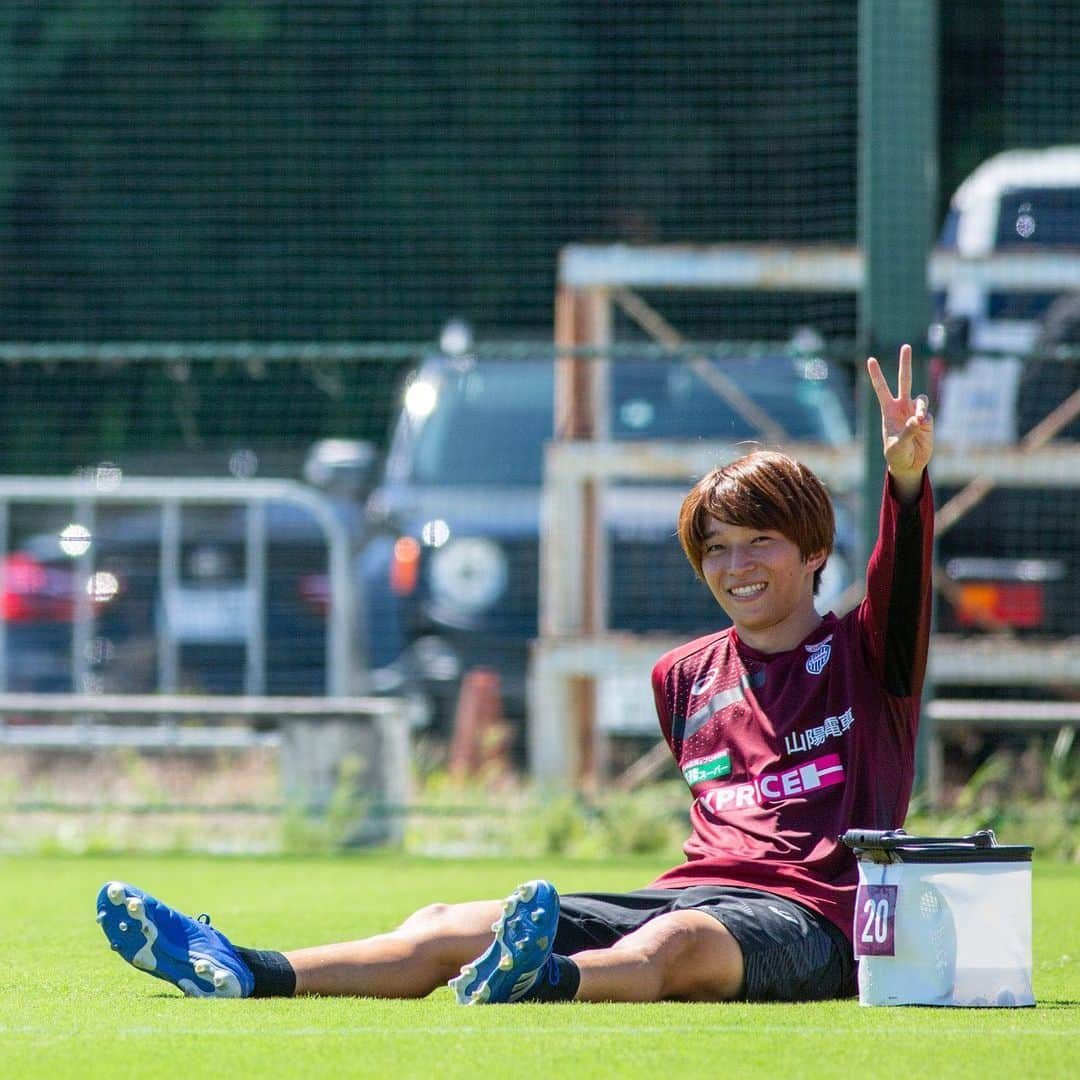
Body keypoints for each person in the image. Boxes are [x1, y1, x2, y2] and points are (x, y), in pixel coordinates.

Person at [96, 344, 934, 1005]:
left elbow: (903, 571)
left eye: (759, 542)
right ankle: (247, 966)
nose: (735, 564)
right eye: (715, 547)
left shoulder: (868, 655)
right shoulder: (683, 677)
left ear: (815, 550)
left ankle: (545, 980)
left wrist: (905, 479)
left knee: (670, 952)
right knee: (446, 922)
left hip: (813, 919)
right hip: (684, 892)